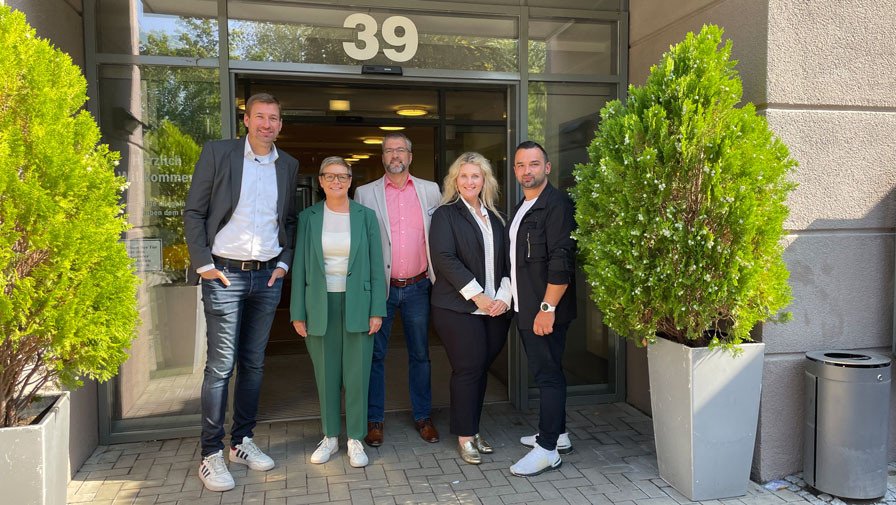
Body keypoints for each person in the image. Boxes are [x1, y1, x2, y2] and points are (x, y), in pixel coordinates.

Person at [183, 93, 299, 492]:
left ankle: (241, 441)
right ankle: (211, 453)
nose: (268, 124)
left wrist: (284, 263)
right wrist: (204, 264)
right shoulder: (219, 154)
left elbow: (287, 219)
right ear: (246, 120)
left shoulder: (288, 165)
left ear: (281, 124)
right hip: (225, 276)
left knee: (254, 364)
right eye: (261, 117)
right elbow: (194, 211)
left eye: (275, 118)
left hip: (266, 278)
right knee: (220, 366)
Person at [290, 157, 386, 468]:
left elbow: (375, 265)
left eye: (342, 176)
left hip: (358, 303)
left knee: (357, 374)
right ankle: (330, 436)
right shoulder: (308, 217)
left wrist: (377, 310)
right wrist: (297, 312)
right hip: (320, 304)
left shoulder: (365, 216)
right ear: (319, 180)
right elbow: (300, 267)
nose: (336, 182)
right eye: (329, 176)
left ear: (350, 180)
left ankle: (356, 439)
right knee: (327, 374)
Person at [354, 132, 442, 446]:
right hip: (382, 289)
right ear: (382, 157)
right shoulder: (364, 194)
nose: (395, 155)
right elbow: (360, 244)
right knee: (375, 356)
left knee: (421, 354)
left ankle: (423, 416)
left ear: (410, 155)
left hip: (419, 285)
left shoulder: (431, 191)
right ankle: (374, 420)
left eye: (400, 150)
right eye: (389, 150)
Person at [429, 152, 512, 465]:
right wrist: (479, 297)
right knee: (468, 369)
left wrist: (503, 296)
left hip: (496, 309)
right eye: (463, 176)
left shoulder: (497, 217)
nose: (469, 181)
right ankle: (465, 436)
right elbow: (445, 259)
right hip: (458, 308)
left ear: (485, 180)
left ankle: (473, 429)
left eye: (475, 176)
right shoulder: (445, 215)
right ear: (454, 180)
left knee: (479, 369)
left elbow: (508, 262)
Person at [507, 141, 577, 477]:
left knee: (548, 376)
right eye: (521, 165)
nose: (527, 171)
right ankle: (559, 435)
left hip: (544, 310)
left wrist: (547, 308)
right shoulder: (523, 205)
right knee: (548, 372)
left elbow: (562, 259)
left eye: (534, 164)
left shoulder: (556, 204)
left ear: (547, 167)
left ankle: (547, 449)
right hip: (527, 307)